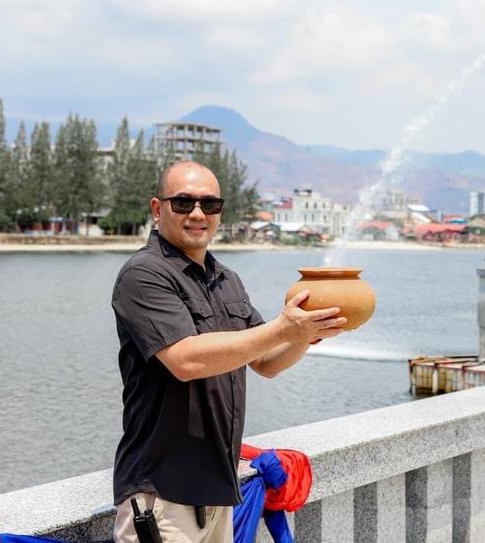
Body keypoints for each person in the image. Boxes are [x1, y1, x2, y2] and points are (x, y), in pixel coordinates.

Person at [111, 160, 347, 543]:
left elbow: (267, 362)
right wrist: (282, 328)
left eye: (210, 204)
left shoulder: (227, 281)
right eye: (183, 203)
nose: (198, 214)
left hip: (218, 497)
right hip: (163, 500)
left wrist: (306, 333)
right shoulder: (143, 275)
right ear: (158, 209)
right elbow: (186, 360)